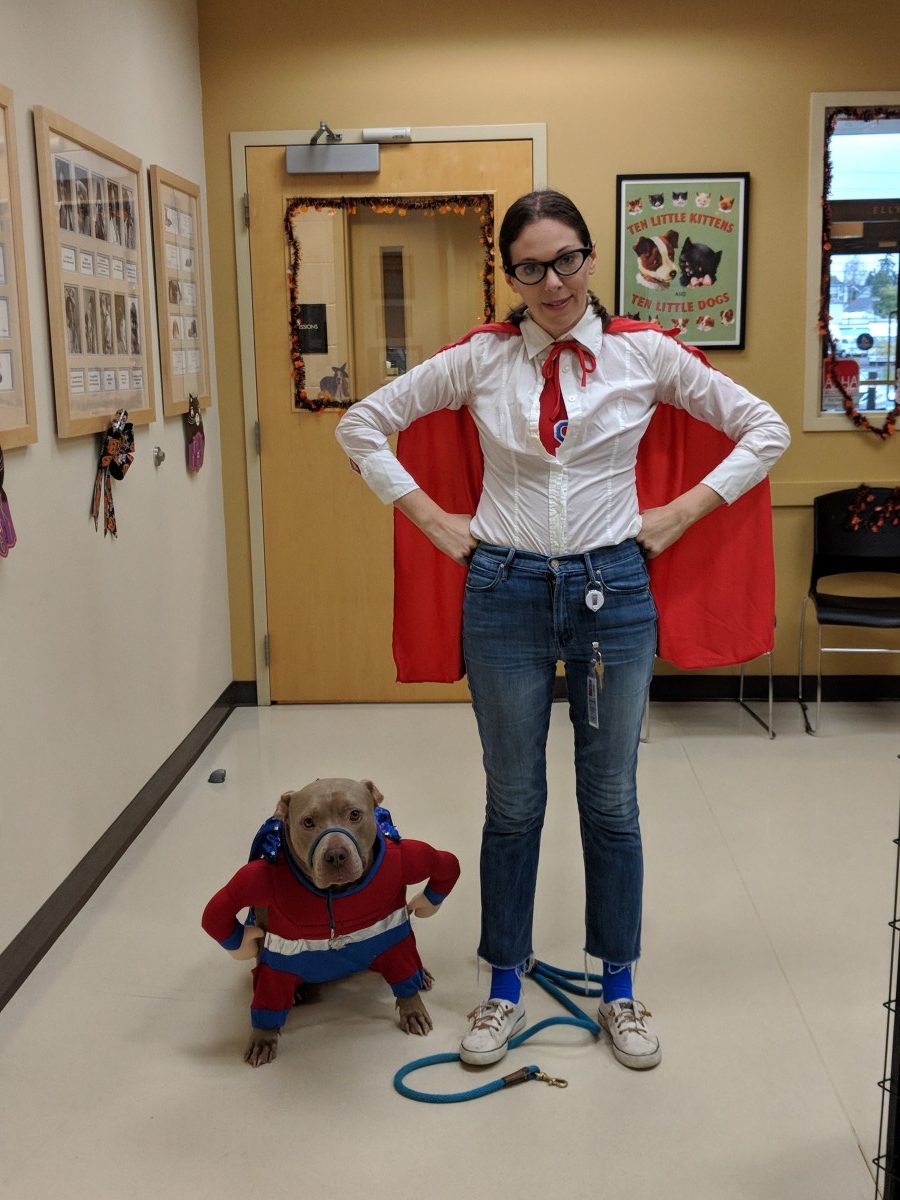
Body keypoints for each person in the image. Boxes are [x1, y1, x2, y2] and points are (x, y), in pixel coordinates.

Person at [334, 189, 789, 1072]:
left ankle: (619, 987)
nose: (554, 283)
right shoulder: (481, 360)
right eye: (532, 267)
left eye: (568, 259)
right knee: (514, 803)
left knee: (610, 801)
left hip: (612, 594)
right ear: (510, 274)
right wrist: (432, 519)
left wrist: (682, 512)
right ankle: (504, 983)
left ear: (591, 257)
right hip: (502, 593)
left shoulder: (643, 354)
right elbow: (363, 424)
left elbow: (763, 428)